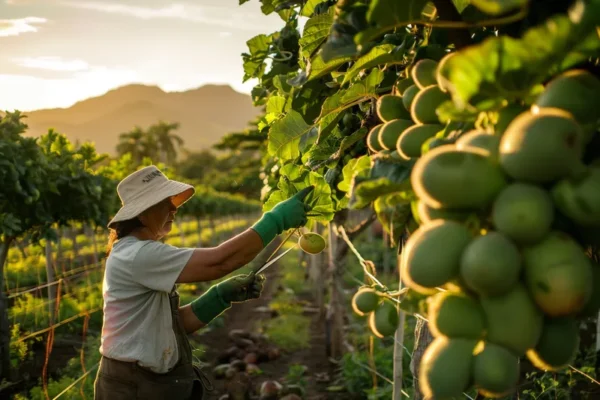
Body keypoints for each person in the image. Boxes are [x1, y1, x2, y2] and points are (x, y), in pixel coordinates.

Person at [93, 165, 313, 399]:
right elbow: (220, 262)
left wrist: (219, 297)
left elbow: (176, 325)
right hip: (132, 387)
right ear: (141, 213)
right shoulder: (137, 254)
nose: (173, 209)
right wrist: (276, 220)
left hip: (147, 382)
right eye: (163, 203)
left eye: (172, 201)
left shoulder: (137, 252)